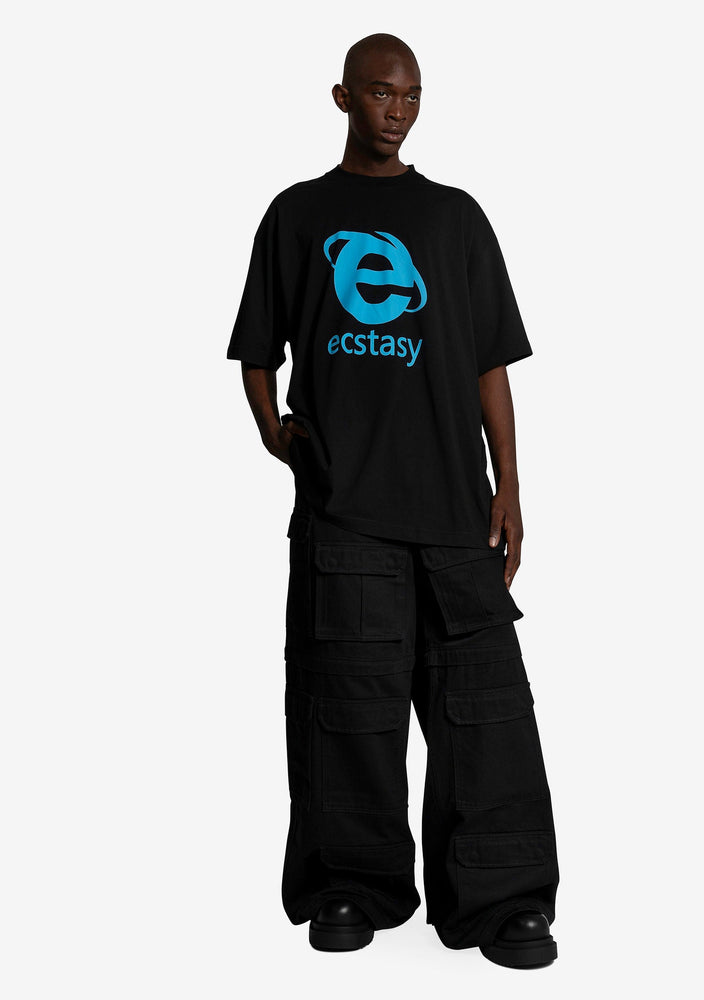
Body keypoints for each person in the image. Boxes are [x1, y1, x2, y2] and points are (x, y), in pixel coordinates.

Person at [226, 32, 560, 969]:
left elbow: (490, 360)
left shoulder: (456, 219)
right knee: (348, 707)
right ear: (343, 97)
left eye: (411, 96)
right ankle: (350, 884)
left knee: (487, 714)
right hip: (345, 514)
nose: (397, 111)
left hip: (455, 509)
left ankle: (504, 898)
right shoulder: (298, 215)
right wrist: (271, 430)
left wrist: (511, 483)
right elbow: (257, 347)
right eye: (380, 93)